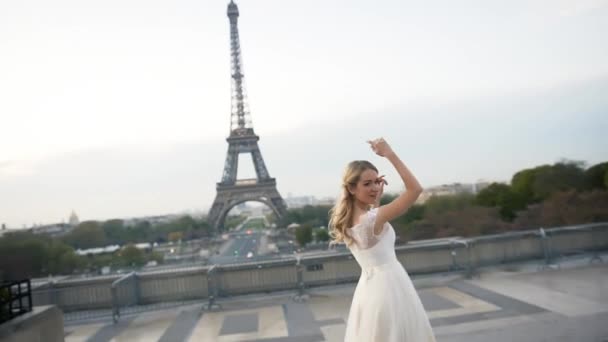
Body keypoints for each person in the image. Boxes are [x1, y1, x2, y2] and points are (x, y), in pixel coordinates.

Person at [329, 137, 436, 341]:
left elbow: (373, 239)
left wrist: (375, 202)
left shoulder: (355, 220)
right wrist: (390, 154)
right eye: (367, 184)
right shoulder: (370, 219)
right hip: (390, 288)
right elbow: (415, 190)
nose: (375, 187)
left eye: (376, 182)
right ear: (351, 188)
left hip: (371, 290)